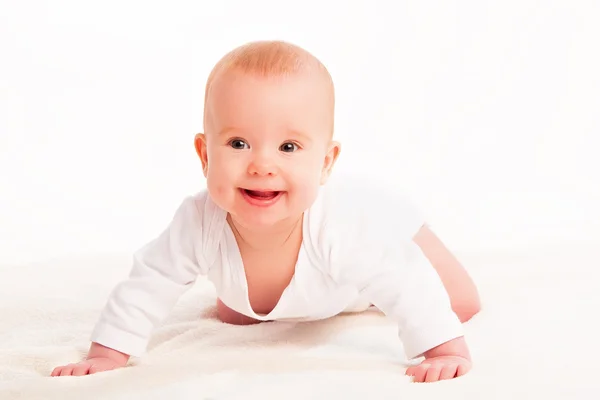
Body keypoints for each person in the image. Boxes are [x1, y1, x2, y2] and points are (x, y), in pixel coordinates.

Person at [51, 40, 480, 383]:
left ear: (326, 162)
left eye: (288, 147)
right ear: (204, 154)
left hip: (378, 243)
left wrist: (442, 348)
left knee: (457, 302)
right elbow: (151, 279)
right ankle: (264, 292)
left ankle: (399, 260)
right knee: (238, 312)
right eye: (238, 144)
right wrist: (109, 352)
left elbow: (404, 280)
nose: (261, 165)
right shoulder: (198, 220)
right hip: (298, 283)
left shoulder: (347, 226)